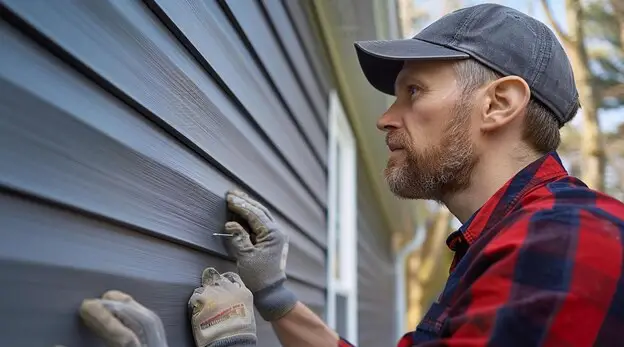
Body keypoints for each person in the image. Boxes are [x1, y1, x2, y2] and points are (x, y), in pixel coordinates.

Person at [79, 2, 624, 346]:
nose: (386, 117)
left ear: (498, 104)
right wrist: (275, 297)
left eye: (413, 91)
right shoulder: (508, 241)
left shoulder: (566, 245)